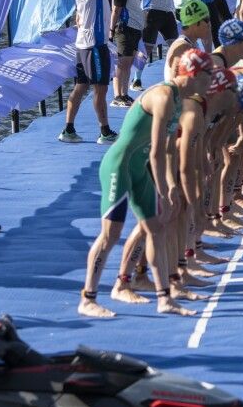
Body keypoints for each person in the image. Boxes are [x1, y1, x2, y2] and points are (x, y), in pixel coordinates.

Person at [78, 48, 212, 318]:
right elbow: (156, 151)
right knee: (110, 235)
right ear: (194, 75)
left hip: (138, 168)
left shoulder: (181, 100)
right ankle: (88, 298)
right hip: (119, 165)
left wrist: (168, 186)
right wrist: (165, 189)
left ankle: (165, 298)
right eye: (208, 76)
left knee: (156, 228)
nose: (211, 83)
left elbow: (165, 150)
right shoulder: (163, 97)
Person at [58, 0, 121, 145]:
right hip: (95, 46)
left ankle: (68, 129)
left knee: (81, 86)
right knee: (100, 90)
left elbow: (77, 18)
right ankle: (104, 131)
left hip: (82, 45)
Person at [109, 0, 144, 108]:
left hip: (135, 29)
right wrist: (111, 30)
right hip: (124, 29)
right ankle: (117, 95)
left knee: (128, 64)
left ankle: (124, 94)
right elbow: (116, 10)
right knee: (122, 64)